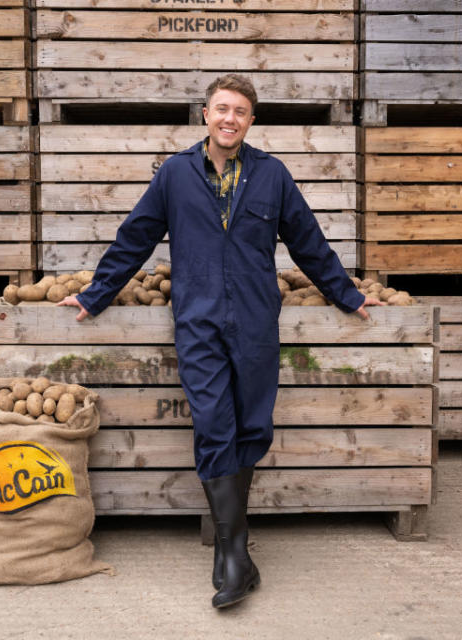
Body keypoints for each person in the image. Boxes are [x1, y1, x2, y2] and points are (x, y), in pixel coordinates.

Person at [58, 74, 384, 608]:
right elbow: (135, 236)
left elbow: (308, 241)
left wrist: (346, 295)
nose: (229, 118)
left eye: (240, 111)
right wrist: (95, 295)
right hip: (199, 317)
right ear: (205, 115)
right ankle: (233, 552)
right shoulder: (175, 175)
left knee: (253, 424)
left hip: (255, 318)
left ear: (251, 121)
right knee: (213, 422)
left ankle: (232, 548)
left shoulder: (273, 175)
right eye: (221, 109)